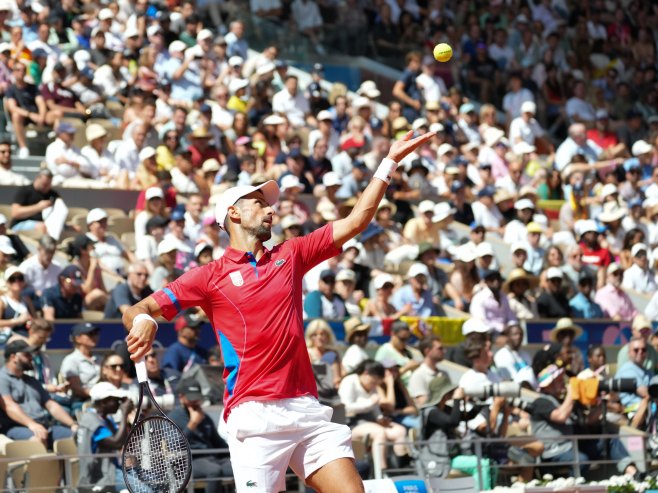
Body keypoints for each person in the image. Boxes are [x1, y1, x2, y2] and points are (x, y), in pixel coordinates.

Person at [123, 130, 432, 492]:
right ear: (233, 213)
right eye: (259, 203)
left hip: (305, 409)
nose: (271, 209)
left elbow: (356, 222)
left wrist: (389, 161)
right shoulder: (209, 277)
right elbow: (136, 309)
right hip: (254, 416)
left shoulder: (291, 254)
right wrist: (144, 321)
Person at [530, 364, 637, 476]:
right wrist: (572, 392)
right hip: (553, 452)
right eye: (558, 380)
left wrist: (603, 404)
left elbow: (587, 421)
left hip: (573, 447)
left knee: (609, 439)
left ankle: (632, 473)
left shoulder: (565, 401)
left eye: (562, 379)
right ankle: (575, 487)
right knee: (581, 460)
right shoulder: (540, 402)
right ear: (547, 386)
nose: (563, 382)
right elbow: (560, 416)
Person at [0, 340, 78, 445]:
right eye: (26, 355)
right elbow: (9, 405)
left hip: (44, 426)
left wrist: (72, 424)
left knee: (78, 438)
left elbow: (51, 405)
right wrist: (31, 424)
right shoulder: (2, 379)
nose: (31, 358)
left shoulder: (32, 381)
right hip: (17, 428)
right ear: (13, 357)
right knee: (37, 441)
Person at [338, 360, 409, 470]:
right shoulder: (349, 381)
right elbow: (346, 408)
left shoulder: (373, 387)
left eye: (377, 384)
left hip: (370, 422)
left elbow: (376, 409)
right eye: (373, 382)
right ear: (366, 373)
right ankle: (382, 471)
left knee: (399, 431)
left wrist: (380, 418)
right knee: (379, 433)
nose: (374, 386)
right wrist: (369, 403)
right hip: (351, 423)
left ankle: (401, 469)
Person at [168, 379, 234, 492]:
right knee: (214, 471)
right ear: (181, 397)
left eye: (196, 398)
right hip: (189, 461)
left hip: (212, 458)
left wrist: (235, 453)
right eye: (191, 399)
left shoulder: (205, 417)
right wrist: (192, 424)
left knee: (239, 466)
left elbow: (218, 443)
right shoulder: (174, 417)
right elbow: (174, 446)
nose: (194, 402)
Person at [78, 382, 134, 493]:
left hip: (114, 469)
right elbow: (116, 443)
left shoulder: (105, 419)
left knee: (151, 480)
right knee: (145, 490)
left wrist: (130, 419)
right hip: (102, 477)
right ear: (103, 402)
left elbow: (123, 439)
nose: (119, 403)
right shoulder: (91, 421)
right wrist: (124, 414)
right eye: (115, 399)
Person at [59, 322, 102, 411]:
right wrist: (100, 394)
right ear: (78, 338)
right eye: (90, 334)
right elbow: (77, 389)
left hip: (103, 399)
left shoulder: (100, 358)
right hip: (82, 402)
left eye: (96, 333)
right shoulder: (71, 360)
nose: (94, 336)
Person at [374, 320, 422, 386]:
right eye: (402, 339)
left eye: (407, 339)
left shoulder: (408, 351)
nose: (405, 342)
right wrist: (406, 368)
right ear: (392, 334)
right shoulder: (385, 351)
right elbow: (382, 378)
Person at [161, 311, 209, 375]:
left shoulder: (202, 352)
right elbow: (171, 376)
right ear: (181, 331)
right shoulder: (174, 351)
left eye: (198, 327)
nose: (197, 330)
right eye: (193, 328)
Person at [408, 336, 446, 407]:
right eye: (440, 349)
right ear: (427, 351)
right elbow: (423, 403)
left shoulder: (443, 373)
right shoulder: (418, 375)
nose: (444, 351)